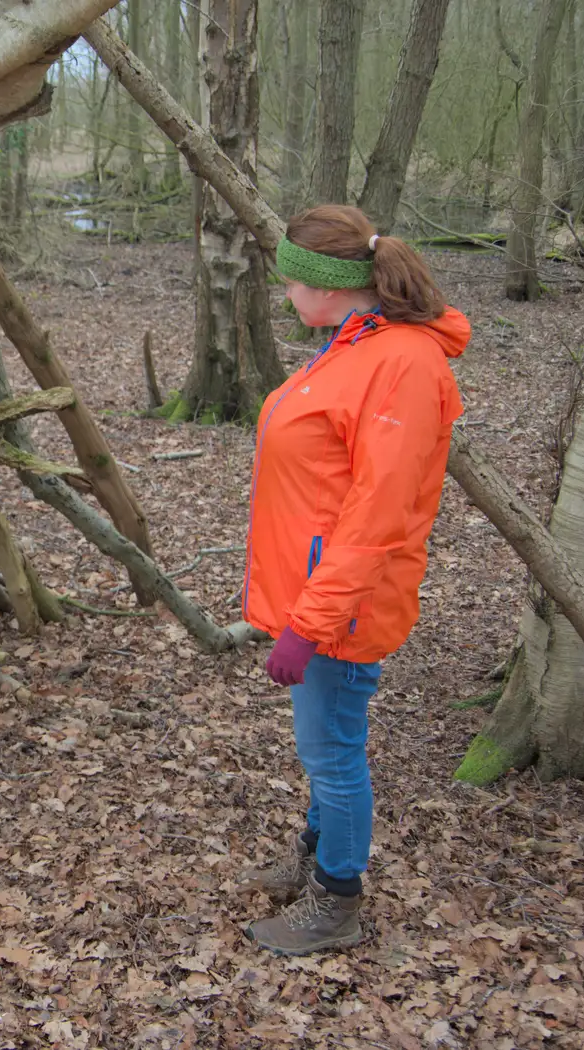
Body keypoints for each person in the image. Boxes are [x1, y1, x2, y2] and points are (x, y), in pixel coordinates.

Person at [236, 204, 469, 956]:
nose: (285, 296)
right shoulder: (351, 344)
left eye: (290, 283)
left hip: (344, 606)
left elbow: (377, 515)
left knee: (333, 750)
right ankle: (316, 856)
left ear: (328, 286)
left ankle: (338, 900)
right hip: (316, 589)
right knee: (322, 746)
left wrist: (313, 622)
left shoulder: (400, 364)